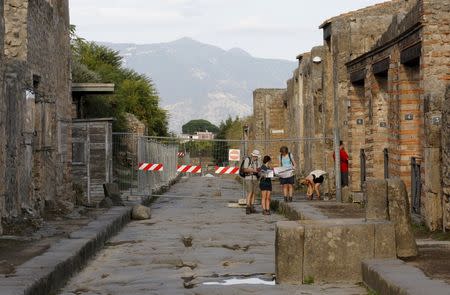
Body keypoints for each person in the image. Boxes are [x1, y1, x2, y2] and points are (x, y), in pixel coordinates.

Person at [243, 150, 261, 214]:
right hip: (248, 178)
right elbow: (245, 169)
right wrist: (253, 170)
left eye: (257, 157)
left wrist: (259, 171)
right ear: (253, 155)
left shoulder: (258, 162)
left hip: (255, 178)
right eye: (256, 156)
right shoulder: (247, 160)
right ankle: (248, 207)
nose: (256, 158)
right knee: (250, 192)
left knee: (254, 193)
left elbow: (259, 169)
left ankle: (252, 207)